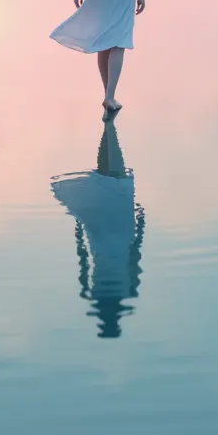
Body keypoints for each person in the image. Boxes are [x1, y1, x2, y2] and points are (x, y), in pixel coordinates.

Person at [51, 120, 145, 339]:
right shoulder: (95, 294)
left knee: (111, 177)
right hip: (102, 233)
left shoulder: (124, 291)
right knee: (106, 177)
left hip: (115, 233)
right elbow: (84, 259)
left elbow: (134, 255)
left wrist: (140, 225)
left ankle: (108, 130)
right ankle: (108, 130)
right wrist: (80, 226)